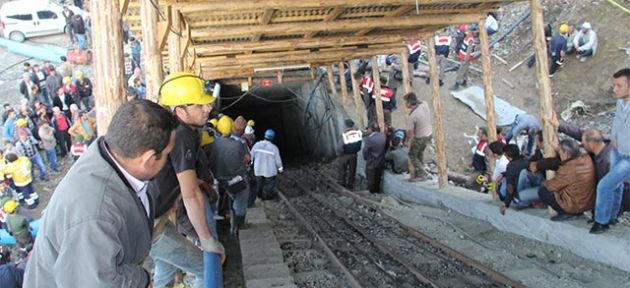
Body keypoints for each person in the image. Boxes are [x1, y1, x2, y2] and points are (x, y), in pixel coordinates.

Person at [25, 99, 178, 287]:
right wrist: (141, 278)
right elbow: (94, 283)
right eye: (167, 154)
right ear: (147, 159)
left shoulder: (111, 153)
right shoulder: (95, 214)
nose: (169, 159)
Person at [148, 72, 223, 288]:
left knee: (165, 266)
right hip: (151, 226)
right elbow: (191, 195)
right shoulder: (182, 136)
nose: (208, 108)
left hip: (154, 219)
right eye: (200, 105)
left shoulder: (173, 128)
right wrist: (208, 240)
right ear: (180, 111)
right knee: (205, 267)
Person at [590, 68, 630, 233]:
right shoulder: (621, 102)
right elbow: (617, 120)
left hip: (628, 156)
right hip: (617, 149)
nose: (614, 89)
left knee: (604, 186)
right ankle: (612, 216)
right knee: (616, 185)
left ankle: (601, 221)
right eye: (614, 85)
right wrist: (613, 137)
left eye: (619, 86)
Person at [205, 115, 251, 234]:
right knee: (242, 196)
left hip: (218, 178)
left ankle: (228, 219)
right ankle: (239, 224)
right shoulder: (238, 144)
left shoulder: (213, 144)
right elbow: (247, 158)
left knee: (230, 196)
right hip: (234, 178)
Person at [538, 139, 596, 221]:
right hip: (588, 202)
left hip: (575, 205)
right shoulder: (587, 158)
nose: (559, 154)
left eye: (560, 152)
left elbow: (550, 186)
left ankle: (568, 213)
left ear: (566, 154)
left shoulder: (567, 169)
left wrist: (545, 182)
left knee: (543, 191)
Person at [404, 92, 432, 182]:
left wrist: (407, 141)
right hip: (429, 134)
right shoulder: (424, 104)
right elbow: (420, 101)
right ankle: (419, 170)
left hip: (420, 137)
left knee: (412, 155)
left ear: (409, 103)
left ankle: (421, 173)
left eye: (406, 102)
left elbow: (410, 132)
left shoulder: (413, 116)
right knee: (420, 153)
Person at [499, 144, 534, 215]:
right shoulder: (527, 160)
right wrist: (504, 174)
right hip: (533, 191)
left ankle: (522, 202)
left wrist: (506, 204)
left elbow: (510, 187)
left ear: (507, 156)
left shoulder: (511, 167)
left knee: (504, 185)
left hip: (522, 195)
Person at [251, 129, 283, 200]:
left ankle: (259, 195)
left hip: (258, 169)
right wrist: (280, 169)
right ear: (272, 138)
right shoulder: (274, 148)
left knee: (259, 183)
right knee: (270, 183)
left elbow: (251, 156)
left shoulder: (257, 145)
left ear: (264, 136)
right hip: (269, 170)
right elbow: (278, 161)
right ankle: (268, 197)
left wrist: (251, 165)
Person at [337, 119, 362, 189]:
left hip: (345, 155)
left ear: (345, 125)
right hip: (354, 155)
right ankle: (351, 184)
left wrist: (340, 154)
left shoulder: (344, 135)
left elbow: (339, 147)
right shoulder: (358, 133)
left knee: (342, 169)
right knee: (352, 170)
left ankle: (342, 183)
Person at [363, 123, 387, 193]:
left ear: (371, 129)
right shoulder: (383, 136)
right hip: (381, 161)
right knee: (378, 177)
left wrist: (366, 158)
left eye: (368, 129)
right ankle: (377, 191)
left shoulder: (370, 139)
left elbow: (365, 151)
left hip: (371, 162)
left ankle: (371, 192)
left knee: (370, 179)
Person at [450, 25, 476, 91]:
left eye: (467, 31)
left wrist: (466, 58)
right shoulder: (467, 37)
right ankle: (464, 81)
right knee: (465, 70)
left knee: (461, 70)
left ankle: (457, 84)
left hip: (465, 58)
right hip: (463, 56)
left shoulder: (470, 40)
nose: (465, 32)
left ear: (470, 32)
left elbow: (469, 50)